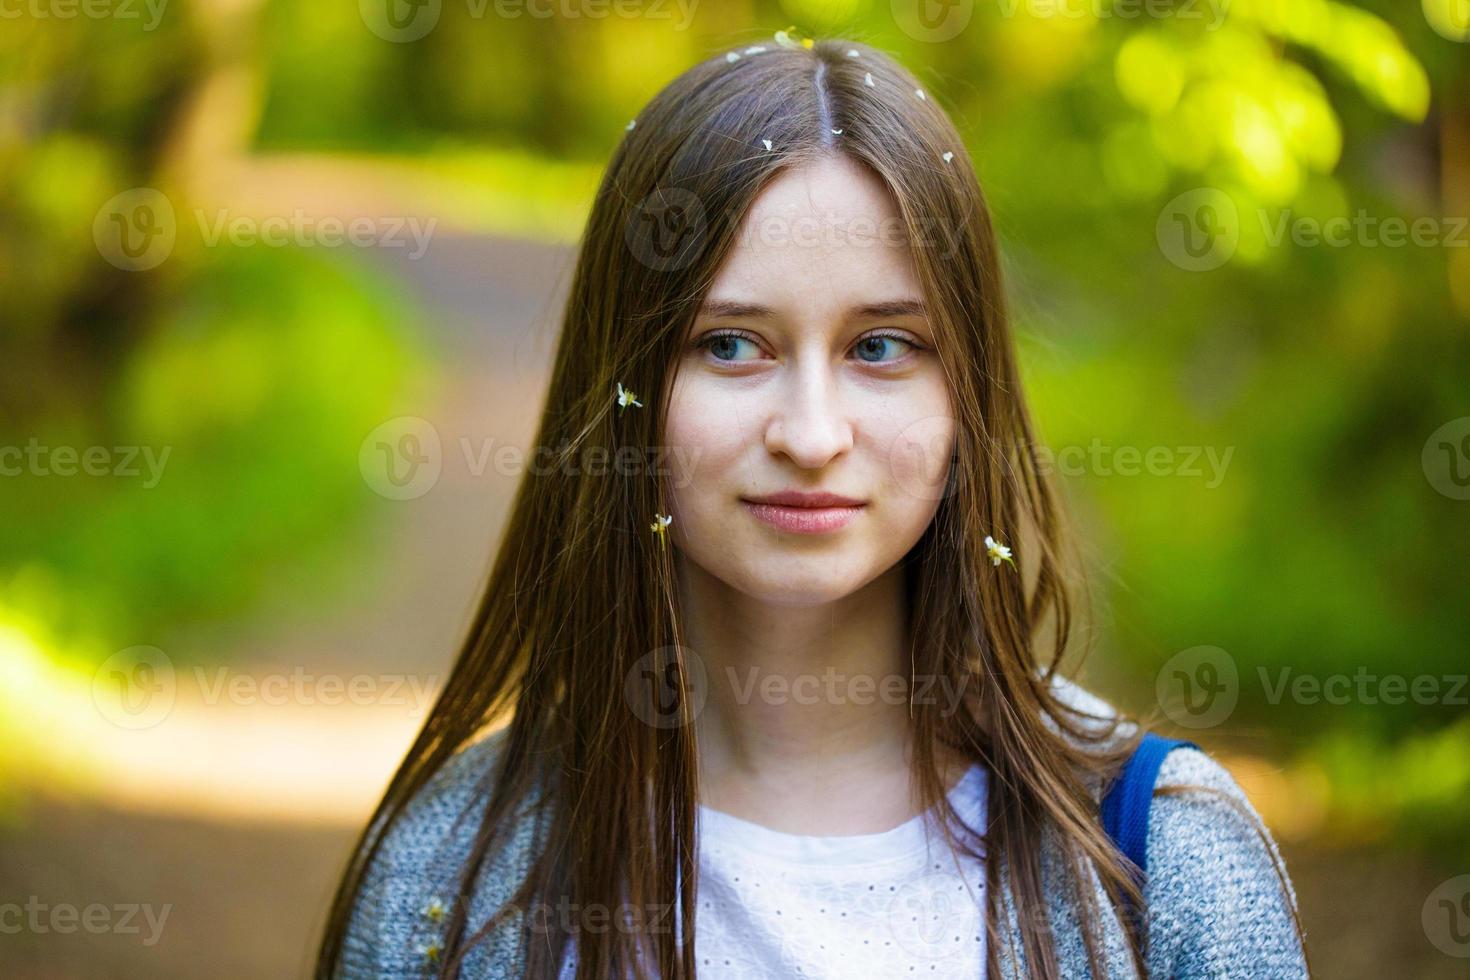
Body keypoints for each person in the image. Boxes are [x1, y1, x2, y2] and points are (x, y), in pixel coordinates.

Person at [316, 32, 1310, 980]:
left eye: (881, 346)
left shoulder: (1163, 855)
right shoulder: (444, 875)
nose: (812, 433)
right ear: (623, 385)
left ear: (967, 393)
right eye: (730, 344)